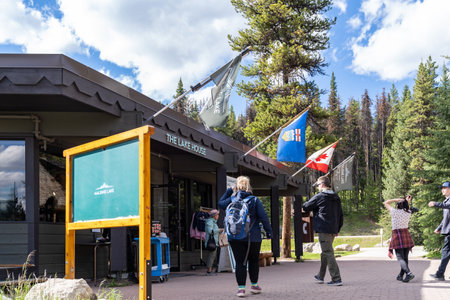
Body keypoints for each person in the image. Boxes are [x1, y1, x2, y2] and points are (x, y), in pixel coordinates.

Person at [218, 176, 272, 298]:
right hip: (253, 237)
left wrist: (229, 191)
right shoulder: (254, 200)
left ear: (236, 186)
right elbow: (264, 217)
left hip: (235, 236)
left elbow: (220, 203)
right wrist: (269, 232)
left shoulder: (231, 199)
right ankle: (254, 286)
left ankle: (241, 289)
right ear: (249, 186)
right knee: (253, 261)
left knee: (239, 262)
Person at [302, 176, 343, 286]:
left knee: (328, 252)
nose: (318, 187)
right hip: (333, 229)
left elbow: (306, 206)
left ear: (322, 185)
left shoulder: (320, 196)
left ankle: (336, 279)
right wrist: (337, 229)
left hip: (323, 229)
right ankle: (320, 276)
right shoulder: (336, 197)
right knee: (325, 251)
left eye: (318, 185)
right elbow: (340, 215)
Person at [384, 195, 415, 282]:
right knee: (405, 258)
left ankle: (408, 273)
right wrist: (406, 201)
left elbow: (385, 202)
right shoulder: (408, 212)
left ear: (397, 205)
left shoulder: (394, 212)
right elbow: (406, 206)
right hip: (406, 235)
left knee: (400, 258)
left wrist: (395, 199)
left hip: (397, 235)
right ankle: (401, 275)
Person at [428, 181, 450, 281]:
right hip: (448, 230)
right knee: (445, 252)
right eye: (442, 188)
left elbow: (446, 206)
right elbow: (446, 218)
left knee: (445, 252)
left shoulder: (448, 202)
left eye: (444, 188)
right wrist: (439, 227)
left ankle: (440, 274)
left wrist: (435, 203)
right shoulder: (446, 201)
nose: (442, 190)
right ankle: (440, 274)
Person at [205, 209, 220, 275]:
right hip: (211, 242)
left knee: (213, 255)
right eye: (217, 215)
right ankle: (209, 270)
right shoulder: (209, 221)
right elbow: (210, 231)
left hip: (214, 242)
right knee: (211, 255)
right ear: (214, 216)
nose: (218, 216)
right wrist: (219, 230)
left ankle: (210, 269)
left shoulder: (213, 222)